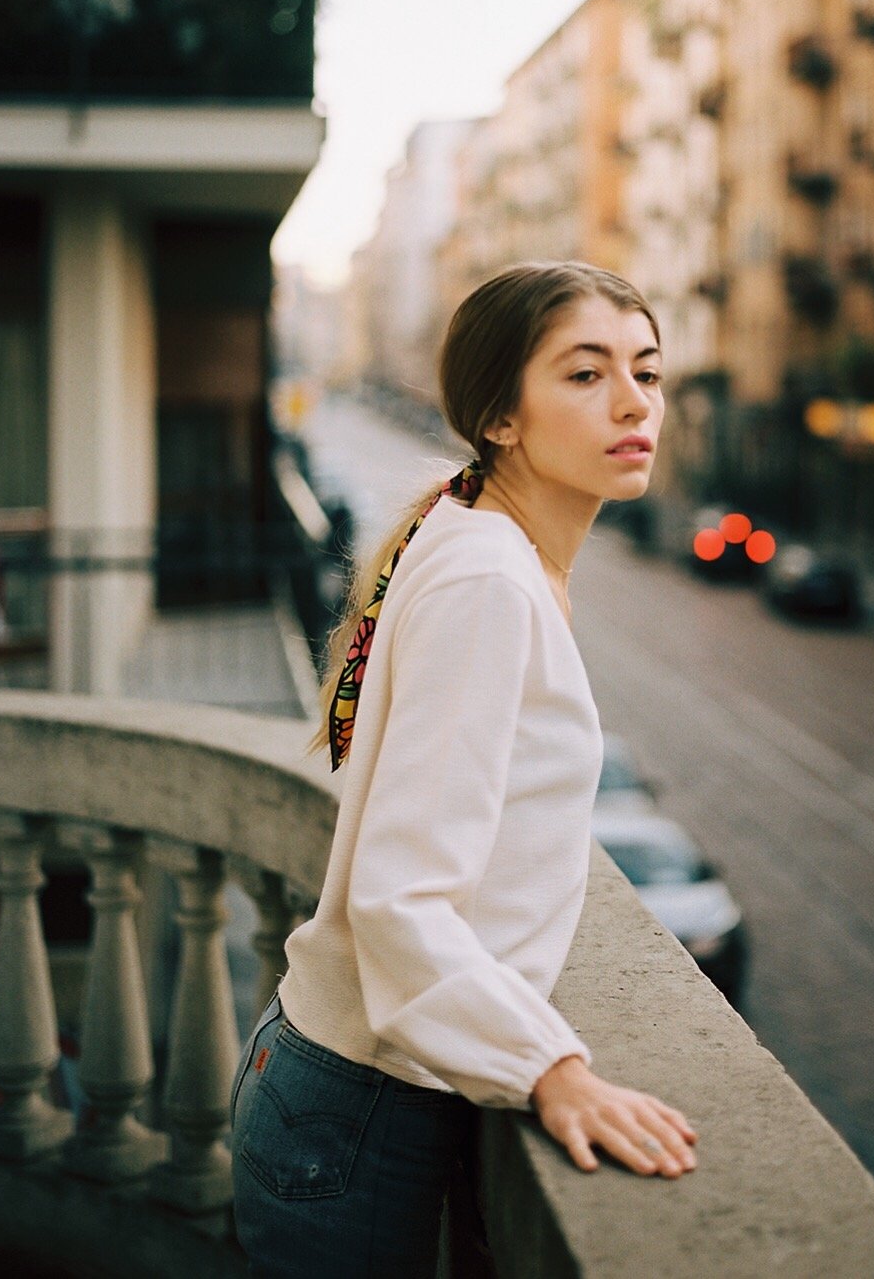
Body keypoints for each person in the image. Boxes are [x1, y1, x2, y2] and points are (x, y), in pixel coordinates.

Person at [229, 261, 698, 1277]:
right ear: (501, 418)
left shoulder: (475, 534)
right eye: (584, 374)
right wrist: (553, 1069)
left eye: (647, 371)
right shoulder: (489, 579)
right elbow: (402, 901)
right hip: (360, 1116)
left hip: (341, 1096)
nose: (632, 403)